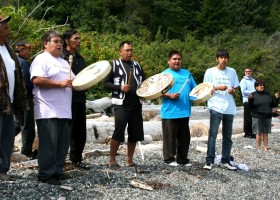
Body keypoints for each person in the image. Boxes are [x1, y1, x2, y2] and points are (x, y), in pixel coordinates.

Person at [30, 30, 73, 185]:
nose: (59, 44)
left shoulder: (64, 62)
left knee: (62, 144)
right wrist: (59, 84)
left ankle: (57, 171)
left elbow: (74, 81)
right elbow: (37, 80)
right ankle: (46, 175)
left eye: (61, 42)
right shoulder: (41, 59)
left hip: (64, 110)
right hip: (48, 109)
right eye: (55, 41)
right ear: (45, 43)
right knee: (49, 144)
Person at [103, 41, 145, 169]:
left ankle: (129, 160)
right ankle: (111, 160)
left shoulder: (137, 66)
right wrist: (120, 87)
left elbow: (145, 82)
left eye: (131, 50)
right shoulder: (113, 65)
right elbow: (105, 84)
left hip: (136, 104)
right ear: (120, 52)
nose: (130, 53)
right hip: (121, 104)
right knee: (119, 131)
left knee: (134, 132)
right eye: (127, 50)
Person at [0, 15, 29, 181]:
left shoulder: (8, 49)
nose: (8, 31)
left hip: (9, 102)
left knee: (6, 139)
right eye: (5, 28)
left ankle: (3, 170)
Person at [202, 50, 239, 171]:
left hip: (229, 106)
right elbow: (205, 88)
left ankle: (226, 160)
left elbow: (234, 88)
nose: (223, 60)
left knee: (227, 135)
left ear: (228, 59)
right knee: (213, 134)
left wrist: (232, 91)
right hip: (215, 105)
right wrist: (217, 87)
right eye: (221, 57)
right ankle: (209, 160)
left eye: (225, 57)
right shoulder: (210, 71)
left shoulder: (232, 71)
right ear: (217, 59)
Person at [160, 50, 197, 167]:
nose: (177, 61)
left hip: (184, 111)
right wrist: (169, 95)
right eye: (174, 59)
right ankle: (169, 159)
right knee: (170, 137)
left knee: (184, 138)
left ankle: (182, 159)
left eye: (179, 59)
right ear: (168, 61)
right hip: (170, 111)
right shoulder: (164, 75)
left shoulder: (187, 74)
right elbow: (156, 92)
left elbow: (195, 89)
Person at [61, 30, 89, 169]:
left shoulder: (80, 58)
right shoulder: (61, 58)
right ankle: (60, 160)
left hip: (80, 98)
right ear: (66, 41)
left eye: (79, 39)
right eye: (75, 38)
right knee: (67, 131)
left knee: (80, 131)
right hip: (66, 99)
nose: (78, 41)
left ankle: (76, 159)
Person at [14, 42, 37, 159]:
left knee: (18, 123)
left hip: (16, 98)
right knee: (27, 126)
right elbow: (29, 82)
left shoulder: (15, 61)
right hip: (25, 98)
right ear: (21, 50)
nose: (30, 51)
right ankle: (27, 152)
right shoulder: (23, 63)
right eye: (28, 49)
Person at [248, 80, 280, 152]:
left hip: (267, 116)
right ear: (256, 87)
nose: (262, 86)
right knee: (258, 133)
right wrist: (249, 100)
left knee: (266, 133)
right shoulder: (253, 95)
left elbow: (273, 104)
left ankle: (265, 147)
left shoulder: (267, 94)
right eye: (260, 85)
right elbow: (250, 106)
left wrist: (277, 98)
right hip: (257, 116)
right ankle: (258, 148)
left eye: (263, 85)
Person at [239, 67, 256, 138]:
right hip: (247, 101)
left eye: (249, 71)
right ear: (244, 72)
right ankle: (247, 133)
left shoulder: (254, 80)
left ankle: (253, 132)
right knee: (247, 118)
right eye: (246, 71)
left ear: (251, 72)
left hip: (255, 101)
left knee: (254, 117)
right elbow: (243, 91)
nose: (248, 72)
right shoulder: (243, 81)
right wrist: (254, 93)